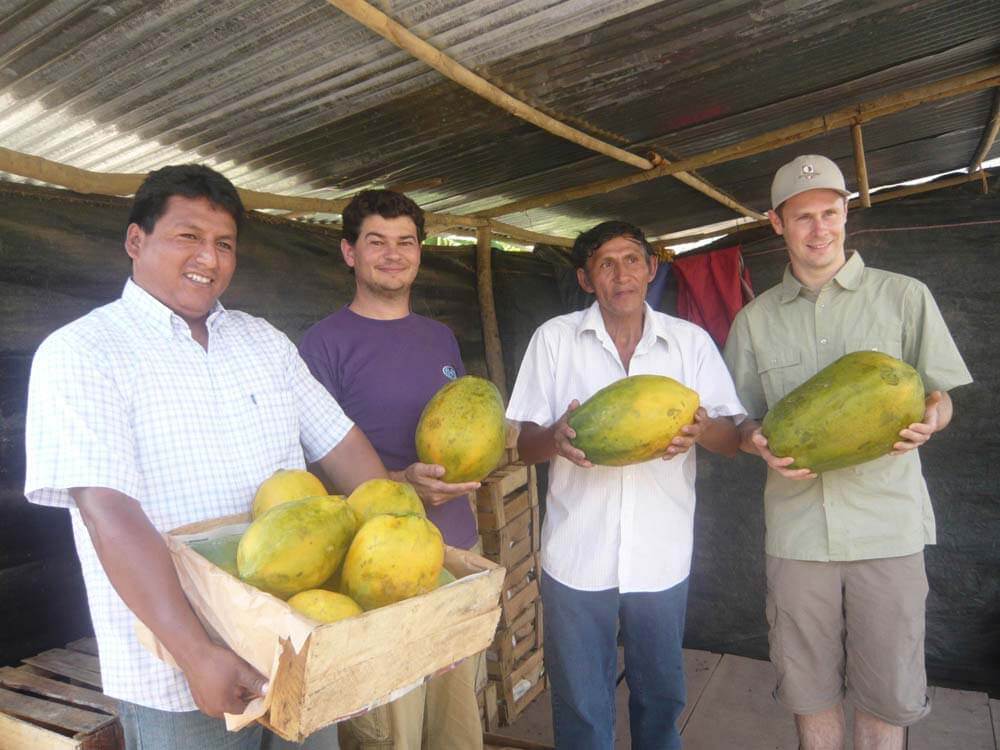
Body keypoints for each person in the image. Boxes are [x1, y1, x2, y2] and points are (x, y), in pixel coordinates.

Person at [23, 164, 388, 750]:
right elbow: (107, 514)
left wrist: (410, 606)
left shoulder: (263, 341)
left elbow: (346, 450)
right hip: (179, 675)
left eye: (224, 244)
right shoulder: (82, 353)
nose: (209, 259)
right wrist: (197, 654)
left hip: (302, 647)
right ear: (135, 241)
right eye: (187, 236)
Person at [722, 154, 973, 750]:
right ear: (776, 223)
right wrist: (751, 439)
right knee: (808, 691)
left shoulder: (904, 297)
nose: (819, 229)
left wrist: (934, 419)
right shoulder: (754, 321)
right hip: (797, 533)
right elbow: (736, 421)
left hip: (887, 527)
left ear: (846, 214)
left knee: (887, 692)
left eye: (830, 213)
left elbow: (941, 398)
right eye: (803, 216)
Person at [505, 221, 745, 750]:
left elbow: (731, 438)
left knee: (660, 700)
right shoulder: (554, 340)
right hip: (576, 555)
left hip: (660, 556)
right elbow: (524, 445)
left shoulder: (689, 344)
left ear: (651, 268)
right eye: (605, 264)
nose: (622, 275)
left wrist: (702, 429)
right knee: (582, 706)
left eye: (632, 260)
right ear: (586, 279)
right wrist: (556, 438)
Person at [298, 189, 483, 750]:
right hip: (379, 574)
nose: (393, 254)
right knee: (389, 733)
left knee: (455, 728)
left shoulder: (440, 337)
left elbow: (466, 429)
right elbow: (311, 466)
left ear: (420, 253)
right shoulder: (322, 344)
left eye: (405, 242)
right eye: (375, 241)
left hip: (454, 557)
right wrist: (400, 484)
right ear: (349, 253)